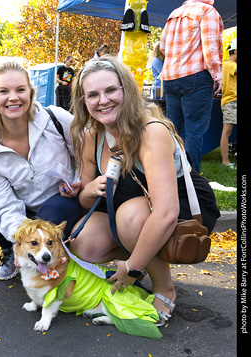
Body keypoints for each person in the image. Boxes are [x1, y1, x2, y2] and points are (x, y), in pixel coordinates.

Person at [69, 56, 220, 326]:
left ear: (126, 90)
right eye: (92, 95)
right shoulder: (92, 135)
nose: (103, 100)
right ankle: (142, 258)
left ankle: (163, 287)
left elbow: (166, 212)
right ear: (83, 101)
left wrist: (132, 267)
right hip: (133, 210)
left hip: (182, 208)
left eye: (111, 90)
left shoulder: (151, 132)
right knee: (84, 240)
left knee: (130, 217)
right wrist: (90, 189)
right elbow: (84, 198)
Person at [0, 61, 86, 280]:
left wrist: (78, 180)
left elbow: (86, 155)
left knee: (48, 218)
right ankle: (14, 251)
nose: (13, 97)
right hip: (22, 207)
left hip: (61, 201)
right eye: (4, 91)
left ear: (31, 93)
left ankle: (60, 259)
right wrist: (20, 240)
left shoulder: (56, 119)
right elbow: (2, 199)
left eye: (20, 90)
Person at [160, 0, 223, 173]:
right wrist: (218, 74)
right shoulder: (207, 11)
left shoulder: (174, 13)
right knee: (194, 130)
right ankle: (192, 178)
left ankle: (172, 174)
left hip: (171, 77)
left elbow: (163, 47)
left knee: (174, 129)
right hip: (196, 75)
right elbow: (210, 48)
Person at [220, 38, 237, 168]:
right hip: (232, 101)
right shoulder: (231, 65)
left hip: (230, 101)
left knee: (227, 132)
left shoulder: (225, 65)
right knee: (227, 132)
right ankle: (225, 161)